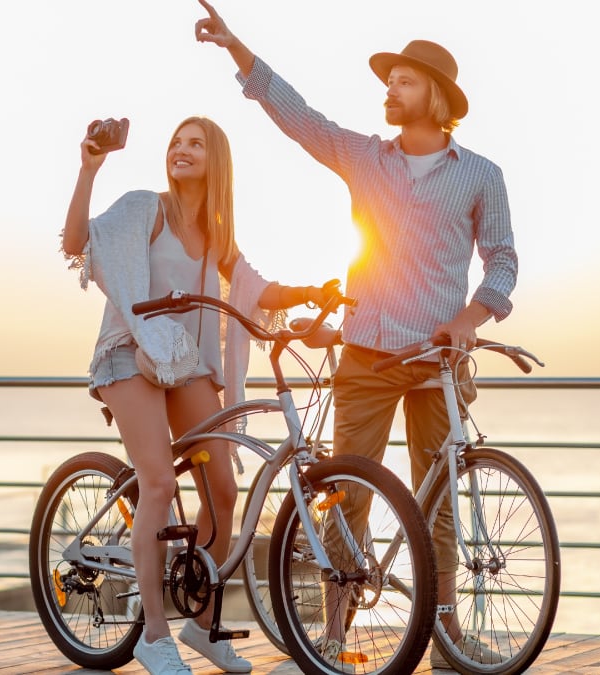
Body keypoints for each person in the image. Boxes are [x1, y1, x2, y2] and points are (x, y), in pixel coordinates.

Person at [193, 1, 518, 669]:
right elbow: (300, 118)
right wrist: (237, 50)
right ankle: (334, 639)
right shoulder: (364, 157)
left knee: (443, 504)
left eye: (403, 80)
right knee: (345, 502)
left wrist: (470, 318)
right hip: (367, 354)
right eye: (389, 79)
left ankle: (449, 641)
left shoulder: (481, 174)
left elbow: (504, 260)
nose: (389, 90)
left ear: (436, 95)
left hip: (438, 361)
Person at [61, 115, 328, 675]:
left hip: (185, 365)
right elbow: (76, 242)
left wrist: (312, 294)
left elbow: (258, 289)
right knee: (158, 482)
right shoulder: (146, 209)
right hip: (128, 354)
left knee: (223, 490)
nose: (181, 150)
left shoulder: (217, 237)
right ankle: (153, 637)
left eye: (195, 143)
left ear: (216, 162)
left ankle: (200, 624)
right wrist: (90, 169)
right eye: (176, 143)